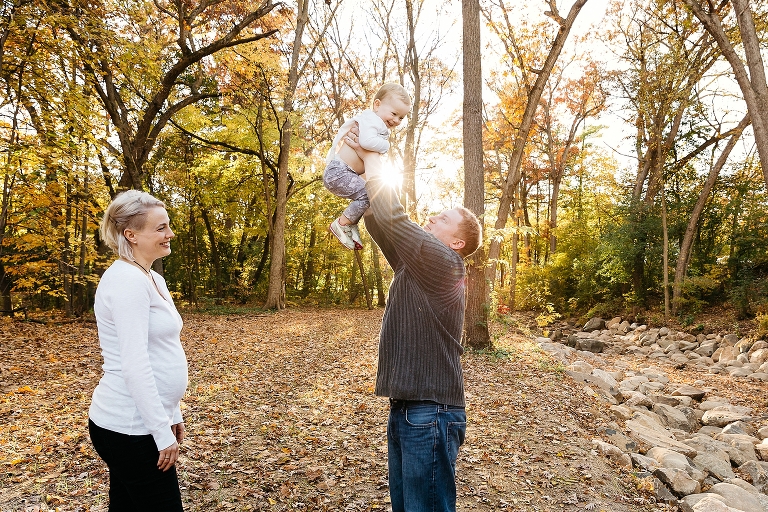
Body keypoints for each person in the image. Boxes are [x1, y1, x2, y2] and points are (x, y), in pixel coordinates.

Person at [345, 127, 482, 512]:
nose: (430, 218)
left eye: (440, 220)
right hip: (409, 405)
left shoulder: (445, 263)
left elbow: (394, 215)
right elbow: (383, 225)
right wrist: (358, 172)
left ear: (456, 242)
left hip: (432, 409)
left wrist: (374, 155)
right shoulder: (416, 266)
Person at [88, 189, 187, 511]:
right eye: (160, 228)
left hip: (141, 421)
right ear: (130, 235)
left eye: (167, 225)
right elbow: (134, 364)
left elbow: (163, 349)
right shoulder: (126, 282)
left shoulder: (152, 278)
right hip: (128, 428)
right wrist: (160, 432)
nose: (170, 233)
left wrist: (171, 412)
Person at [325, 82, 411, 250]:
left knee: (369, 196)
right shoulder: (372, 120)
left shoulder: (374, 123)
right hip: (339, 172)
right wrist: (386, 147)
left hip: (345, 173)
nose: (396, 120)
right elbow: (366, 142)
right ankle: (342, 223)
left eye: (401, 117)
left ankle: (350, 223)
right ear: (377, 105)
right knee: (368, 194)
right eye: (394, 113)